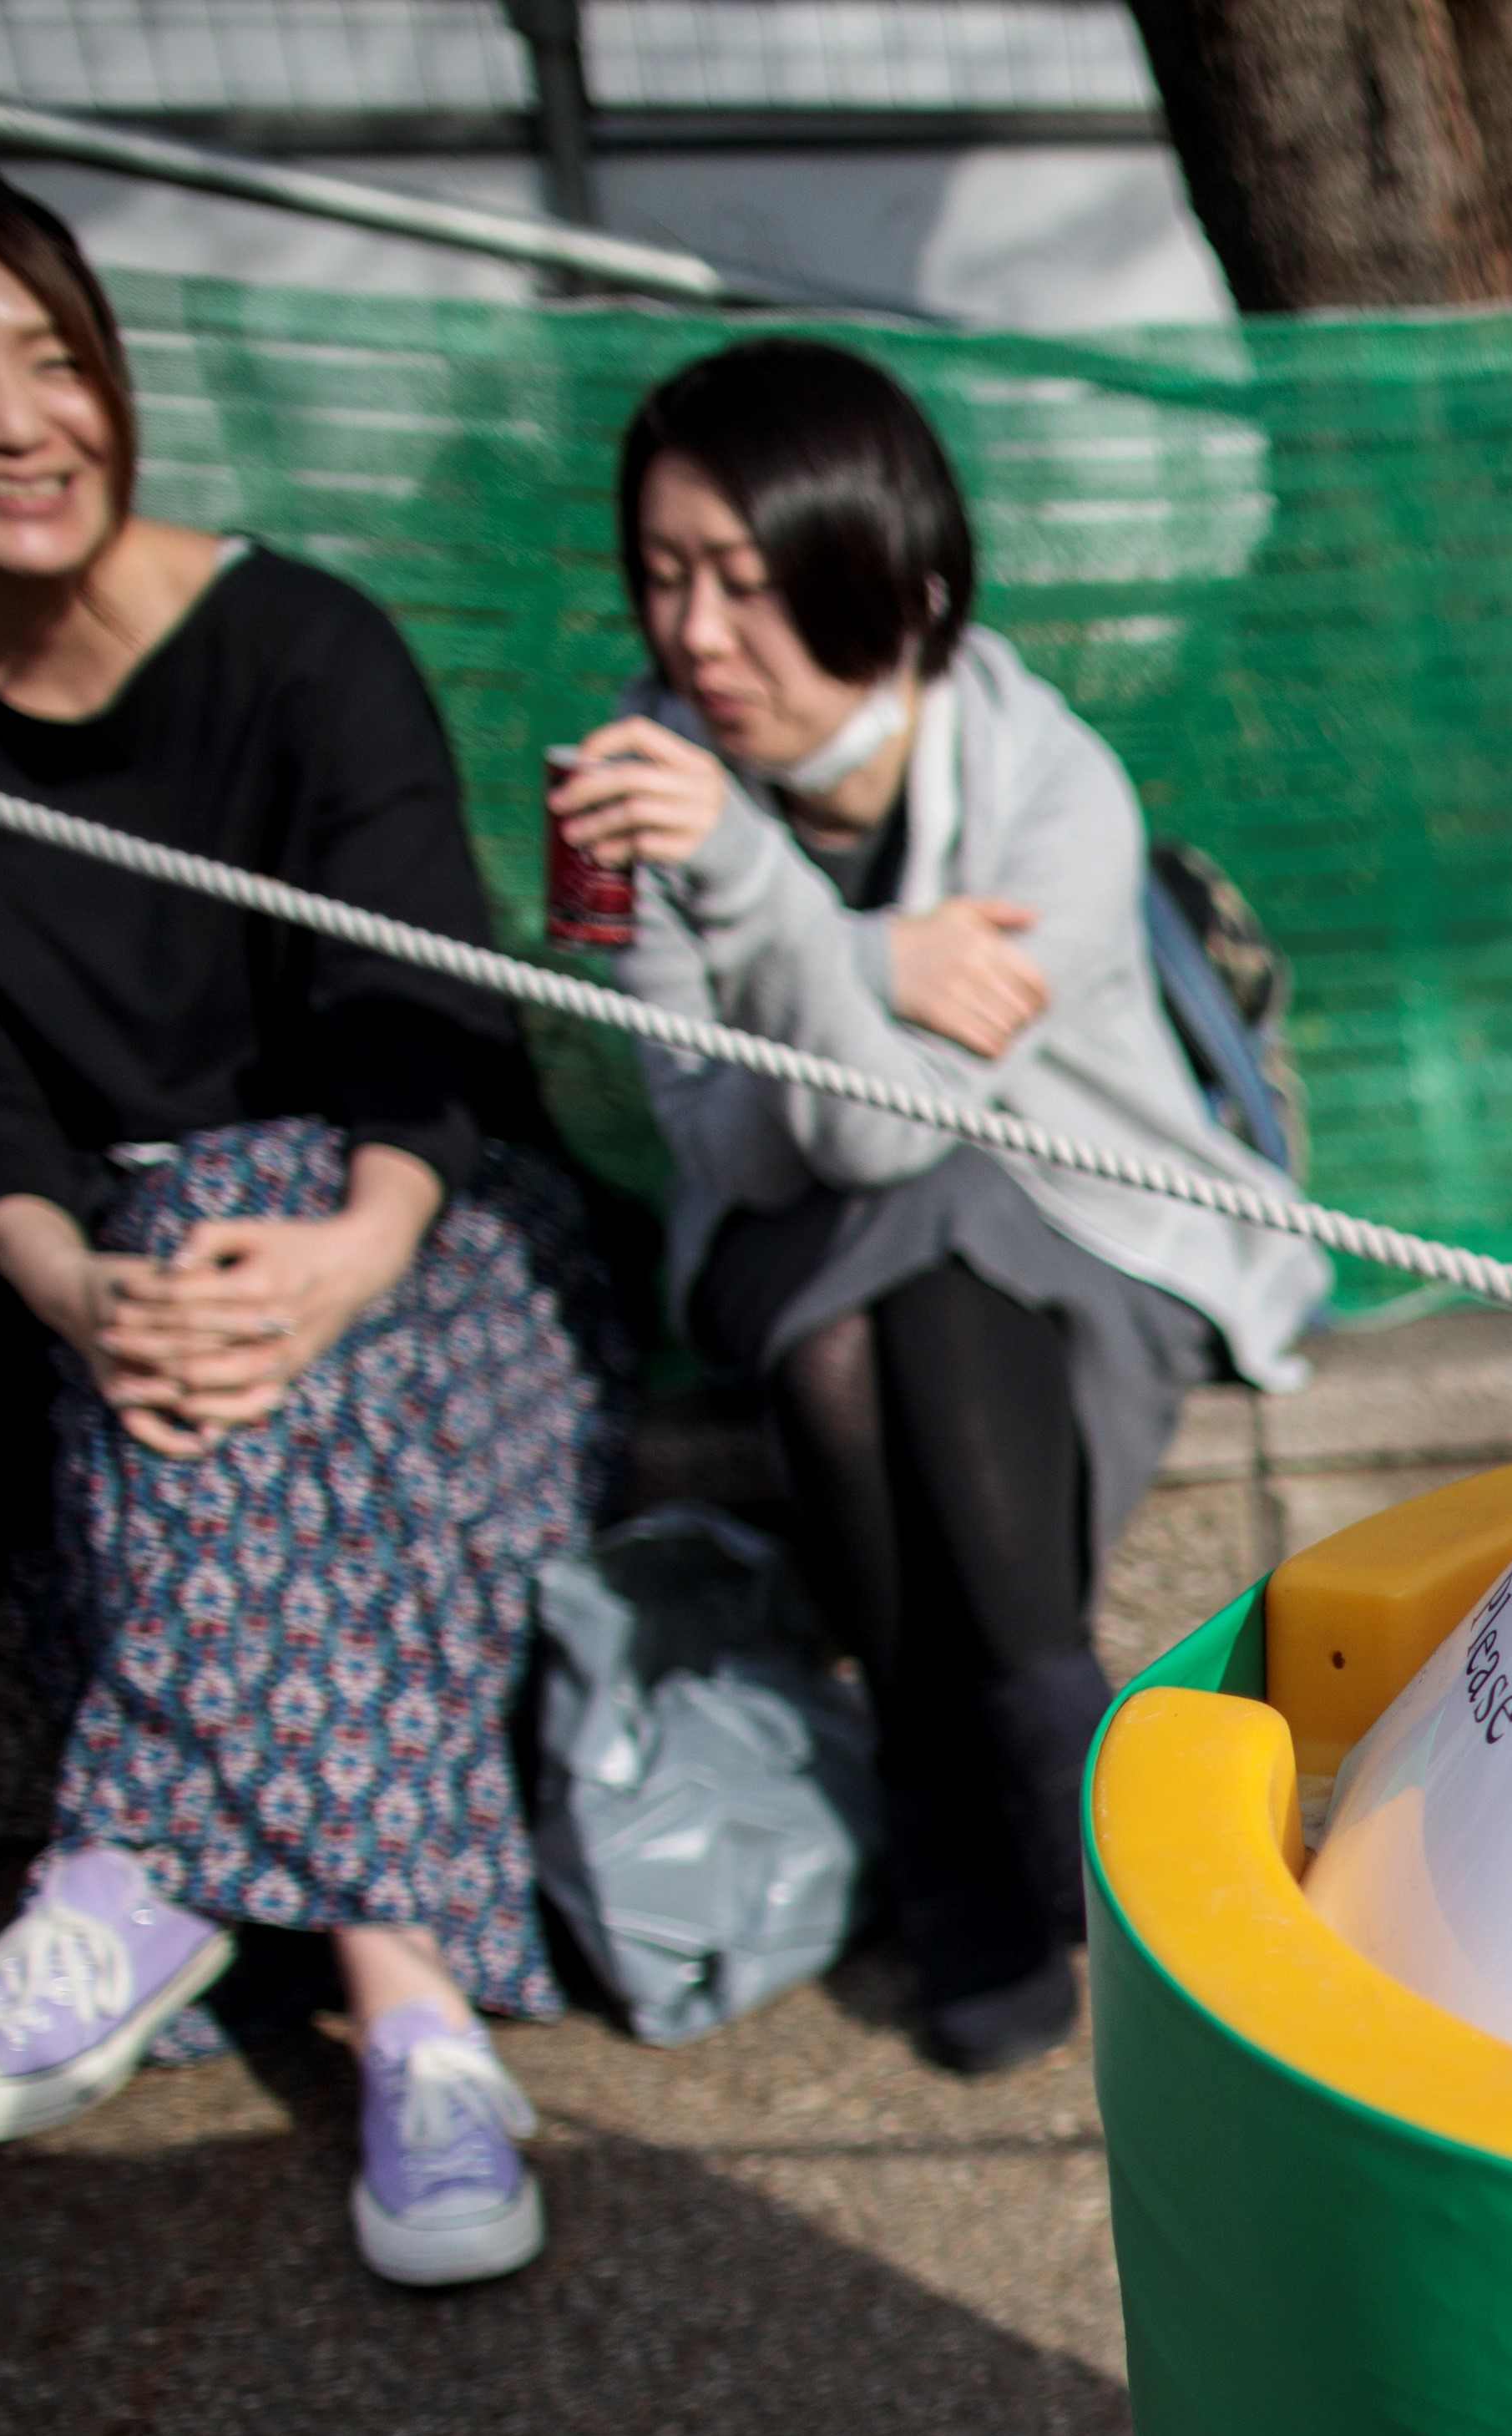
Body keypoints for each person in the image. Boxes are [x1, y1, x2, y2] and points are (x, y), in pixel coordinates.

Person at [0, 145, 619, 2287]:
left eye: (54, 357)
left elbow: (421, 1010)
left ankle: (134, 1871)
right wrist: (75, 1284)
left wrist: (355, 1246)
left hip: (429, 1226)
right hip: (83, 1276)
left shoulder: (302, 644)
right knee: (217, 1330)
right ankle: (418, 2022)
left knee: (262, 1281)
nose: (16, 419)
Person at [545, 341, 1322, 2074]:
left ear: (893, 577)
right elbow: (750, 1151)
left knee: (917, 1258)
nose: (696, 635)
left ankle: (949, 1784)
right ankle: (1049, 1733)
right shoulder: (643, 791)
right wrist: (873, 954)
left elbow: (885, 1137)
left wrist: (769, 915)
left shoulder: (1049, 783)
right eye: (663, 576)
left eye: (745, 579)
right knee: (876, 1268)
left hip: (1090, 1230)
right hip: (784, 1238)